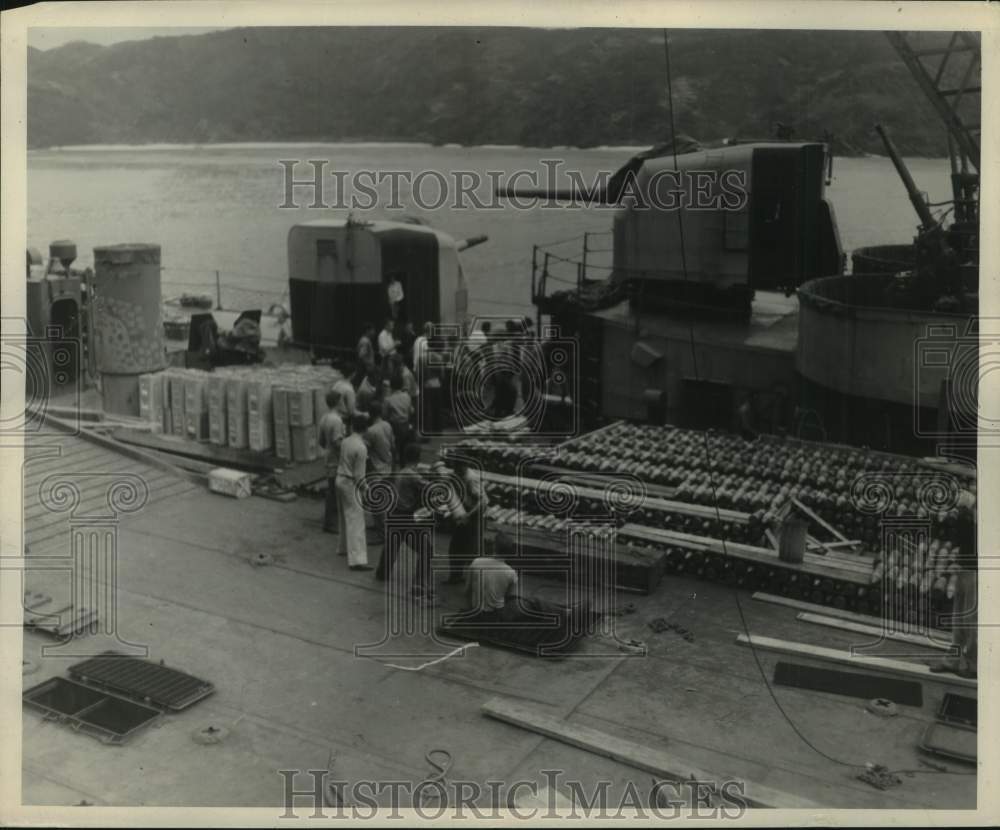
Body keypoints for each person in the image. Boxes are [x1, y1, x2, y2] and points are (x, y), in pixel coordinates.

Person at [376, 444, 436, 603]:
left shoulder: (402, 472)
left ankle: (382, 573)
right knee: (426, 549)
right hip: (405, 517)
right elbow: (430, 488)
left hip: (394, 514)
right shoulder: (412, 475)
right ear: (418, 458)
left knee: (392, 545)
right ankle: (419, 585)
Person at [931, 487, 977, 678]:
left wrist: (970, 509)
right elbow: (963, 538)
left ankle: (973, 663)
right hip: (966, 567)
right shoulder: (966, 515)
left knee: (972, 619)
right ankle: (954, 658)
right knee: (959, 617)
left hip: (980, 571)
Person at [336, 413, 372, 571]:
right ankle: (357, 560)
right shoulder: (361, 447)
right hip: (351, 482)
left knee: (345, 516)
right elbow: (359, 476)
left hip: (340, 478)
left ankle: (343, 548)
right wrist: (367, 490)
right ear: (366, 429)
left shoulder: (345, 441)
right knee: (356, 520)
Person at [445, 457, 489, 584]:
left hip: (475, 515)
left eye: (458, 467)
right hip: (463, 512)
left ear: (465, 466)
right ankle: (456, 576)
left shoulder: (471, 479)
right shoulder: (455, 475)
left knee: (472, 550)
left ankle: (477, 582)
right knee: (455, 547)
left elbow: (484, 502)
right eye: (454, 466)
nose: (455, 469)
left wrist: (469, 515)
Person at [317, 390, 345, 533]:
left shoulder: (324, 418)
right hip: (336, 458)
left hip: (328, 455)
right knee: (334, 491)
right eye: (341, 401)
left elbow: (321, 441)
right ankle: (331, 522)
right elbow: (337, 442)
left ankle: (331, 520)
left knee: (331, 488)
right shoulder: (337, 420)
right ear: (337, 402)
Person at [382, 374, 413, 463]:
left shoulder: (388, 399)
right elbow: (411, 411)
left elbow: (384, 416)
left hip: (394, 426)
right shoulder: (407, 396)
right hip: (406, 425)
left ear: (391, 386)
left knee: (393, 449)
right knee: (404, 450)